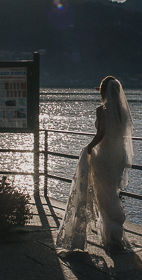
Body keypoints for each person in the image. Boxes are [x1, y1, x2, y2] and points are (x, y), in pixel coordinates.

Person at [56, 76, 135, 253]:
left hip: (106, 154)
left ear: (104, 91)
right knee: (112, 192)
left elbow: (101, 134)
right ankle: (114, 235)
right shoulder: (123, 111)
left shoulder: (102, 110)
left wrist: (89, 147)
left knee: (103, 194)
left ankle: (111, 236)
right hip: (119, 155)